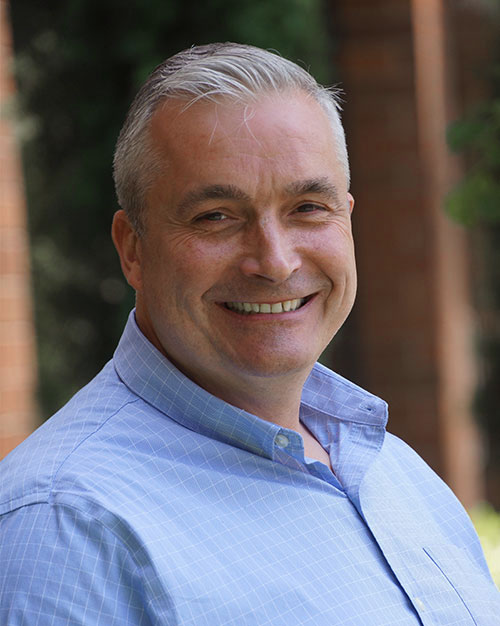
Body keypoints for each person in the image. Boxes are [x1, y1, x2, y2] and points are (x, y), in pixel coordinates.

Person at [0, 43, 499, 626]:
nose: (276, 261)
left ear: (348, 219)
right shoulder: (67, 529)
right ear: (132, 249)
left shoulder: (390, 469)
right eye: (216, 216)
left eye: (309, 207)